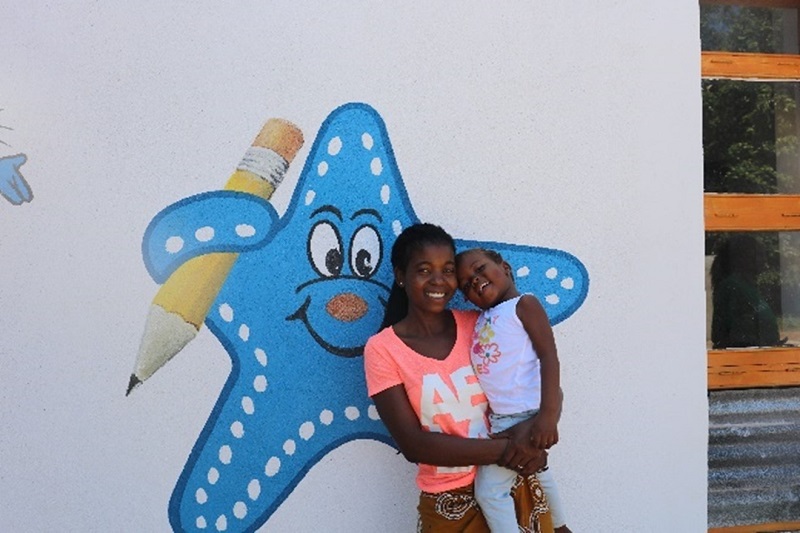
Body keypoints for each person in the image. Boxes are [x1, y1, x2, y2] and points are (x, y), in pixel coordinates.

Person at [364, 223, 554, 532]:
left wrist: (538, 428)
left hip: (511, 484)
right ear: (401, 275)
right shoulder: (383, 350)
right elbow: (414, 445)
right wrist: (513, 448)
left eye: (448, 270)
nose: (438, 281)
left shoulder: (481, 327)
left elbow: (531, 375)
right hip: (448, 502)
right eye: (424, 270)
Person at [456, 248, 571, 533]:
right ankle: (560, 527)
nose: (475, 281)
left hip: (528, 412)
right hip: (502, 418)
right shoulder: (482, 317)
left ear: (505, 267)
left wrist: (547, 416)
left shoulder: (524, 305)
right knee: (537, 470)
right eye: (466, 284)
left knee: (490, 492)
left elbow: (549, 356)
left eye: (480, 269)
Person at [710, 235, 782, 349]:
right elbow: (726, 332)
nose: (764, 260)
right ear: (745, 258)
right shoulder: (732, 286)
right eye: (759, 254)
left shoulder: (750, 286)